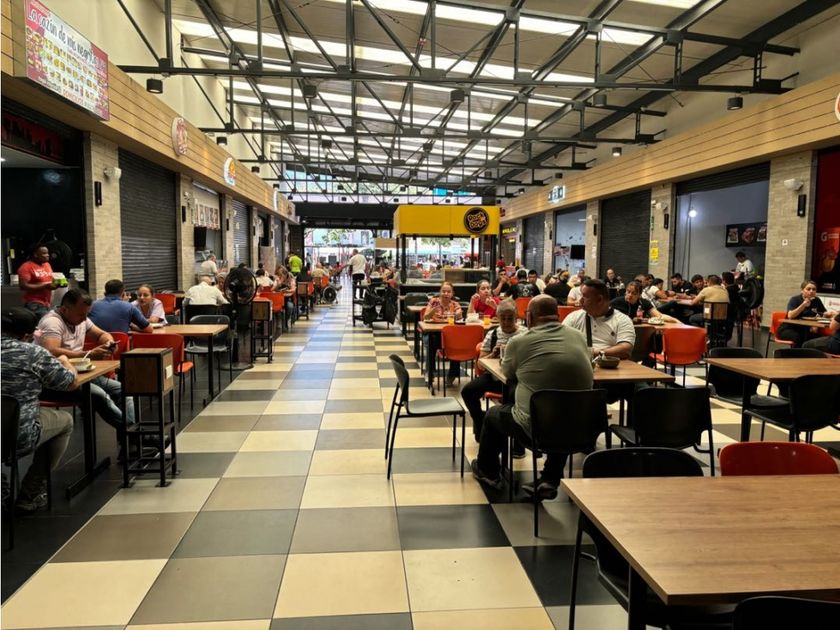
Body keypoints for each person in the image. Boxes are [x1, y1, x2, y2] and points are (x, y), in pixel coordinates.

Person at [470, 295, 593, 498]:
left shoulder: (520, 341)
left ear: (529, 317)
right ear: (557, 314)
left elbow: (508, 373)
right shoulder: (578, 336)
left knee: (493, 415)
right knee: (563, 411)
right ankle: (550, 478)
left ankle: (488, 471)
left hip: (537, 428)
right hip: (582, 426)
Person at [36, 290, 138, 459]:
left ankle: (130, 445)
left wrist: (108, 342)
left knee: (123, 390)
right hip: (57, 382)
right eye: (81, 314)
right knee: (99, 395)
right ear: (64, 309)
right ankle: (135, 435)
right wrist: (87, 354)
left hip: (83, 374)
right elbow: (51, 351)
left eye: (87, 314)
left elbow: (101, 334)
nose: (84, 319)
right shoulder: (52, 322)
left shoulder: (81, 318)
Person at [1, 307, 78, 512]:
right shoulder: (33, 352)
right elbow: (69, 383)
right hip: (19, 435)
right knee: (65, 421)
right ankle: (31, 493)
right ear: (27, 335)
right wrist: (66, 362)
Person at [460, 300, 526, 440]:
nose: (506, 322)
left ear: (516, 318)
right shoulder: (493, 334)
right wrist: (492, 355)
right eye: (503, 318)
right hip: (495, 377)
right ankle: (481, 423)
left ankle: (516, 440)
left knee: (514, 397)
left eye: (510, 318)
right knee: (468, 391)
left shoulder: (525, 334)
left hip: (517, 379)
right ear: (498, 318)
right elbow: (480, 364)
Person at [564, 279, 636, 359]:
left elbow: (626, 350)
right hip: (580, 363)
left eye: (585, 297)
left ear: (599, 300)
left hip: (610, 365)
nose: (580, 301)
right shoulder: (573, 317)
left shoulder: (623, 320)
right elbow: (560, 341)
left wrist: (593, 353)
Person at [423, 282, 463, 387]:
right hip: (434, 334)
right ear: (440, 292)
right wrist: (432, 311)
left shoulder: (455, 304)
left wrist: (458, 314)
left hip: (449, 336)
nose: (446, 294)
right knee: (431, 342)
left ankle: (452, 375)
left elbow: (460, 316)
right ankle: (430, 373)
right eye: (443, 291)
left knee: (457, 344)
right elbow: (425, 317)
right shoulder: (434, 301)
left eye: (448, 292)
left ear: (452, 293)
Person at [776, 280, 836, 347]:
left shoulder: (816, 300)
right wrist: (803, 305)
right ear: (802, 290)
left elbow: (823, 312)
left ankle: (807, 353)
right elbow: (790, 316)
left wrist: (830, 314)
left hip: (806, 329)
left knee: (817, 339)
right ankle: (796, 353)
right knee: (799, 337)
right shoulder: (795, 299)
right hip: (788, 328)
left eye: (814, 289)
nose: (811, 291)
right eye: (808, 289)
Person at [17, 245, 55, 320]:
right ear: (36, 254)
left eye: (47, 253)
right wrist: (45, 286)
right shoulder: (26, 267)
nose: (47, 255)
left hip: (47, 303)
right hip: (34, 303)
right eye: (44, 253)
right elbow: (23, 286)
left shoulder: (47, 265)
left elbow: (50, 280)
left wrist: (56, 284)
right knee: (46, 323)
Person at [610, 281, 678, 322]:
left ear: (639, 295)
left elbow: (660, 316)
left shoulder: (644, 303)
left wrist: (677, 321)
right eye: (628, 292)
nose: (630, 295)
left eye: (634, 293)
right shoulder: (616, 302)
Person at [273, 266, 297, 330]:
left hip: (288, 299)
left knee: (289, 307)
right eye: (279, 274)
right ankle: (279, 321)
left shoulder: (291, 279)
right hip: (278, 299)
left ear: (285, 274)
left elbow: (293, 289)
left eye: (281, 274)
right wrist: (278, 284)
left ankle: (286, 321)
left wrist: (286, 291)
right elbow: (272, 290)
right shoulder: (277, 280)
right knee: (275, 307)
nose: (280, 276)